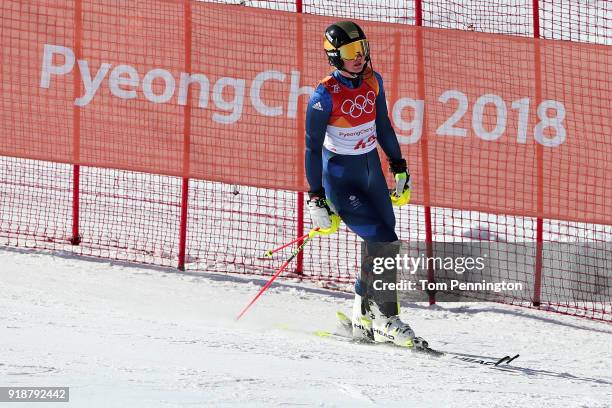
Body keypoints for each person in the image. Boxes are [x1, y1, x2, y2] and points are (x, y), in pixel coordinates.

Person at [305, 21, 426, 349]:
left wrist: (398, 166)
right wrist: (316, 198)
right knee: (384, 240)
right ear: (334, 56)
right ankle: (386, 318)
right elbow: (312, 148)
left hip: (371, 170)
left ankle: (362, 316)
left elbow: (383, 124)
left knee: (384, 237)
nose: (358, 57)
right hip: (341, 179)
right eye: (349, 52)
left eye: (361, 49)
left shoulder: (374, 81)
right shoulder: (323, 95)